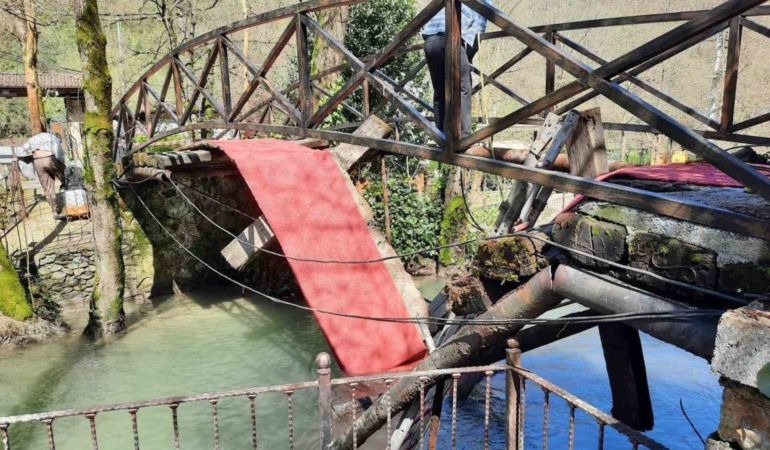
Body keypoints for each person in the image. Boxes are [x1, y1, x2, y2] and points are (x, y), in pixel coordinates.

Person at [422, 2, 490, 143]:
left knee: (439, 91)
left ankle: (441, 137)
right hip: (451, 39)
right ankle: (464, 137)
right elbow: (481, 22)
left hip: (429, 40)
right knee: (463, 88)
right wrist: (469, 53)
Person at [17, 133, 67, 220]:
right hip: (50, 158)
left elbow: (23, 150)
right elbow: (59, 154)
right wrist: (65, 164)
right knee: (66, 178)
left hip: (37, 161)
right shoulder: (53, 137)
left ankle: (55, 211)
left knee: (47, 187)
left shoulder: (33, 139)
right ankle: (70, 201)